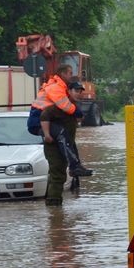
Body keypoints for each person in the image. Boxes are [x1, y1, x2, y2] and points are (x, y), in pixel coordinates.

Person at [31, 74, 89, 206]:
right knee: (57, 174)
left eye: (80, 91)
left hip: (65, 145)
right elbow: (45, 115)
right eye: (76, 90)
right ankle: (53, 206)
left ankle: (56, 214)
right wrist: (47, 135)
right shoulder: (60, 105)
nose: (79, 94)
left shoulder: (71, 107)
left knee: (60, 174)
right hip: (54, 146)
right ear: (68, 91)